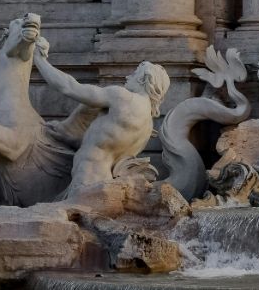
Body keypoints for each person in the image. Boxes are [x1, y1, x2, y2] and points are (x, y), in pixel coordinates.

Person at [33, 45, 169, 197]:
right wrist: (69, 139)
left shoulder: (123, 97)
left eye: (134, 74)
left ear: (145, 79)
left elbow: (69, 87)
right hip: (102, 183)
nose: (127, 77)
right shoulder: (147, 127)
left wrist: (39, 60)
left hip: (85, 181)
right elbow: (104, 146)